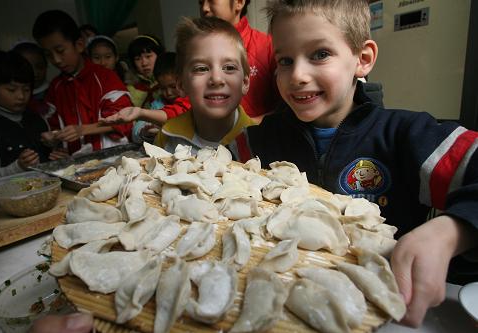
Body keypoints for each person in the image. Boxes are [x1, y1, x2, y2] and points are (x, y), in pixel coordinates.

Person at [247, 0, 478, 327]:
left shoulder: (406, 135)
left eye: (320, 54)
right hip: (290, 312)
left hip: (387, 312)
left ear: (363, 59)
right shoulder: (262, 141)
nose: (297, 75)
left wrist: (453, 231)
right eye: (285, 60)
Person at [32, 10, 133, 156]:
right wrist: (53, 137)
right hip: (75, 165)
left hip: (112, 158)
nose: (56, 60)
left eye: (60, 51)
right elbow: (53, 124)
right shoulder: (56, 87)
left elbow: (124, 119)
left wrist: (82, 129)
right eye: (48, 55)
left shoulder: (105, 77)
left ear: (79, 45)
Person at [153, 16, 254, 161]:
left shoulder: (259, 138)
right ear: (181, 85)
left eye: (229, 67)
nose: (217, 79)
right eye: (201, 68)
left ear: (244, 82)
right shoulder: (167, 137)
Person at [200, 0, 281, 123]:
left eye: (212, 1)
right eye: (201, 2)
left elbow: (286, 107)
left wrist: (247, 127)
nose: (205, 8)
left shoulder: (268, 46)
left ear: (239, 2)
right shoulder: (198, 49)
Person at [0, 51, 52, 179]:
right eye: (11, 90)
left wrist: (55, 149)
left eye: (26, 89)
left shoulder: (37, 119)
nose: (21, 96)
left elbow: (48, 161)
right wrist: (18, 167)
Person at [119, 52, 192, 143]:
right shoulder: (157, 105)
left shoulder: (193, 101)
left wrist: (141, 113)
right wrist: (144, 131)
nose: (168, 93)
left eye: (173, 87)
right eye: (162, 88)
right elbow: (136, 129)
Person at [126, 35, 164, 107]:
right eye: (138, 59)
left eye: (148, 56)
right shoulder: (129, 91)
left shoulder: (171, 83)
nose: (144, 63)